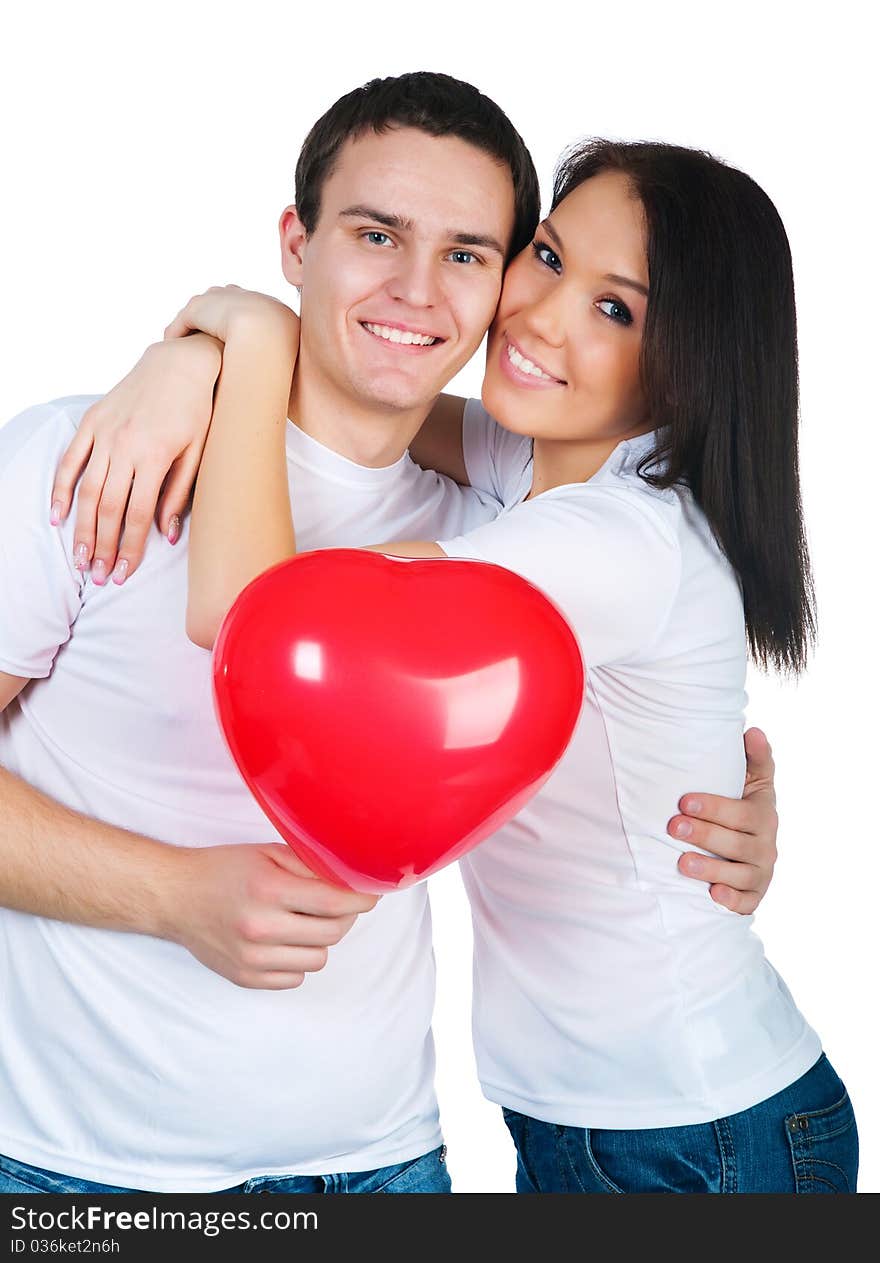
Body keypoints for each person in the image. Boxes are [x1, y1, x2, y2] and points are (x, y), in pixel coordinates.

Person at [0, 75, 777, 1197]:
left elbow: (266, 622)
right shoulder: (98, 463)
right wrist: (167, 896)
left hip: (384, 1168)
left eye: (468, 251)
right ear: (296, 242)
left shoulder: (503, 529)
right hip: (68, 1175)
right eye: (375, 234)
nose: (418, 289)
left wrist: (726, 825)